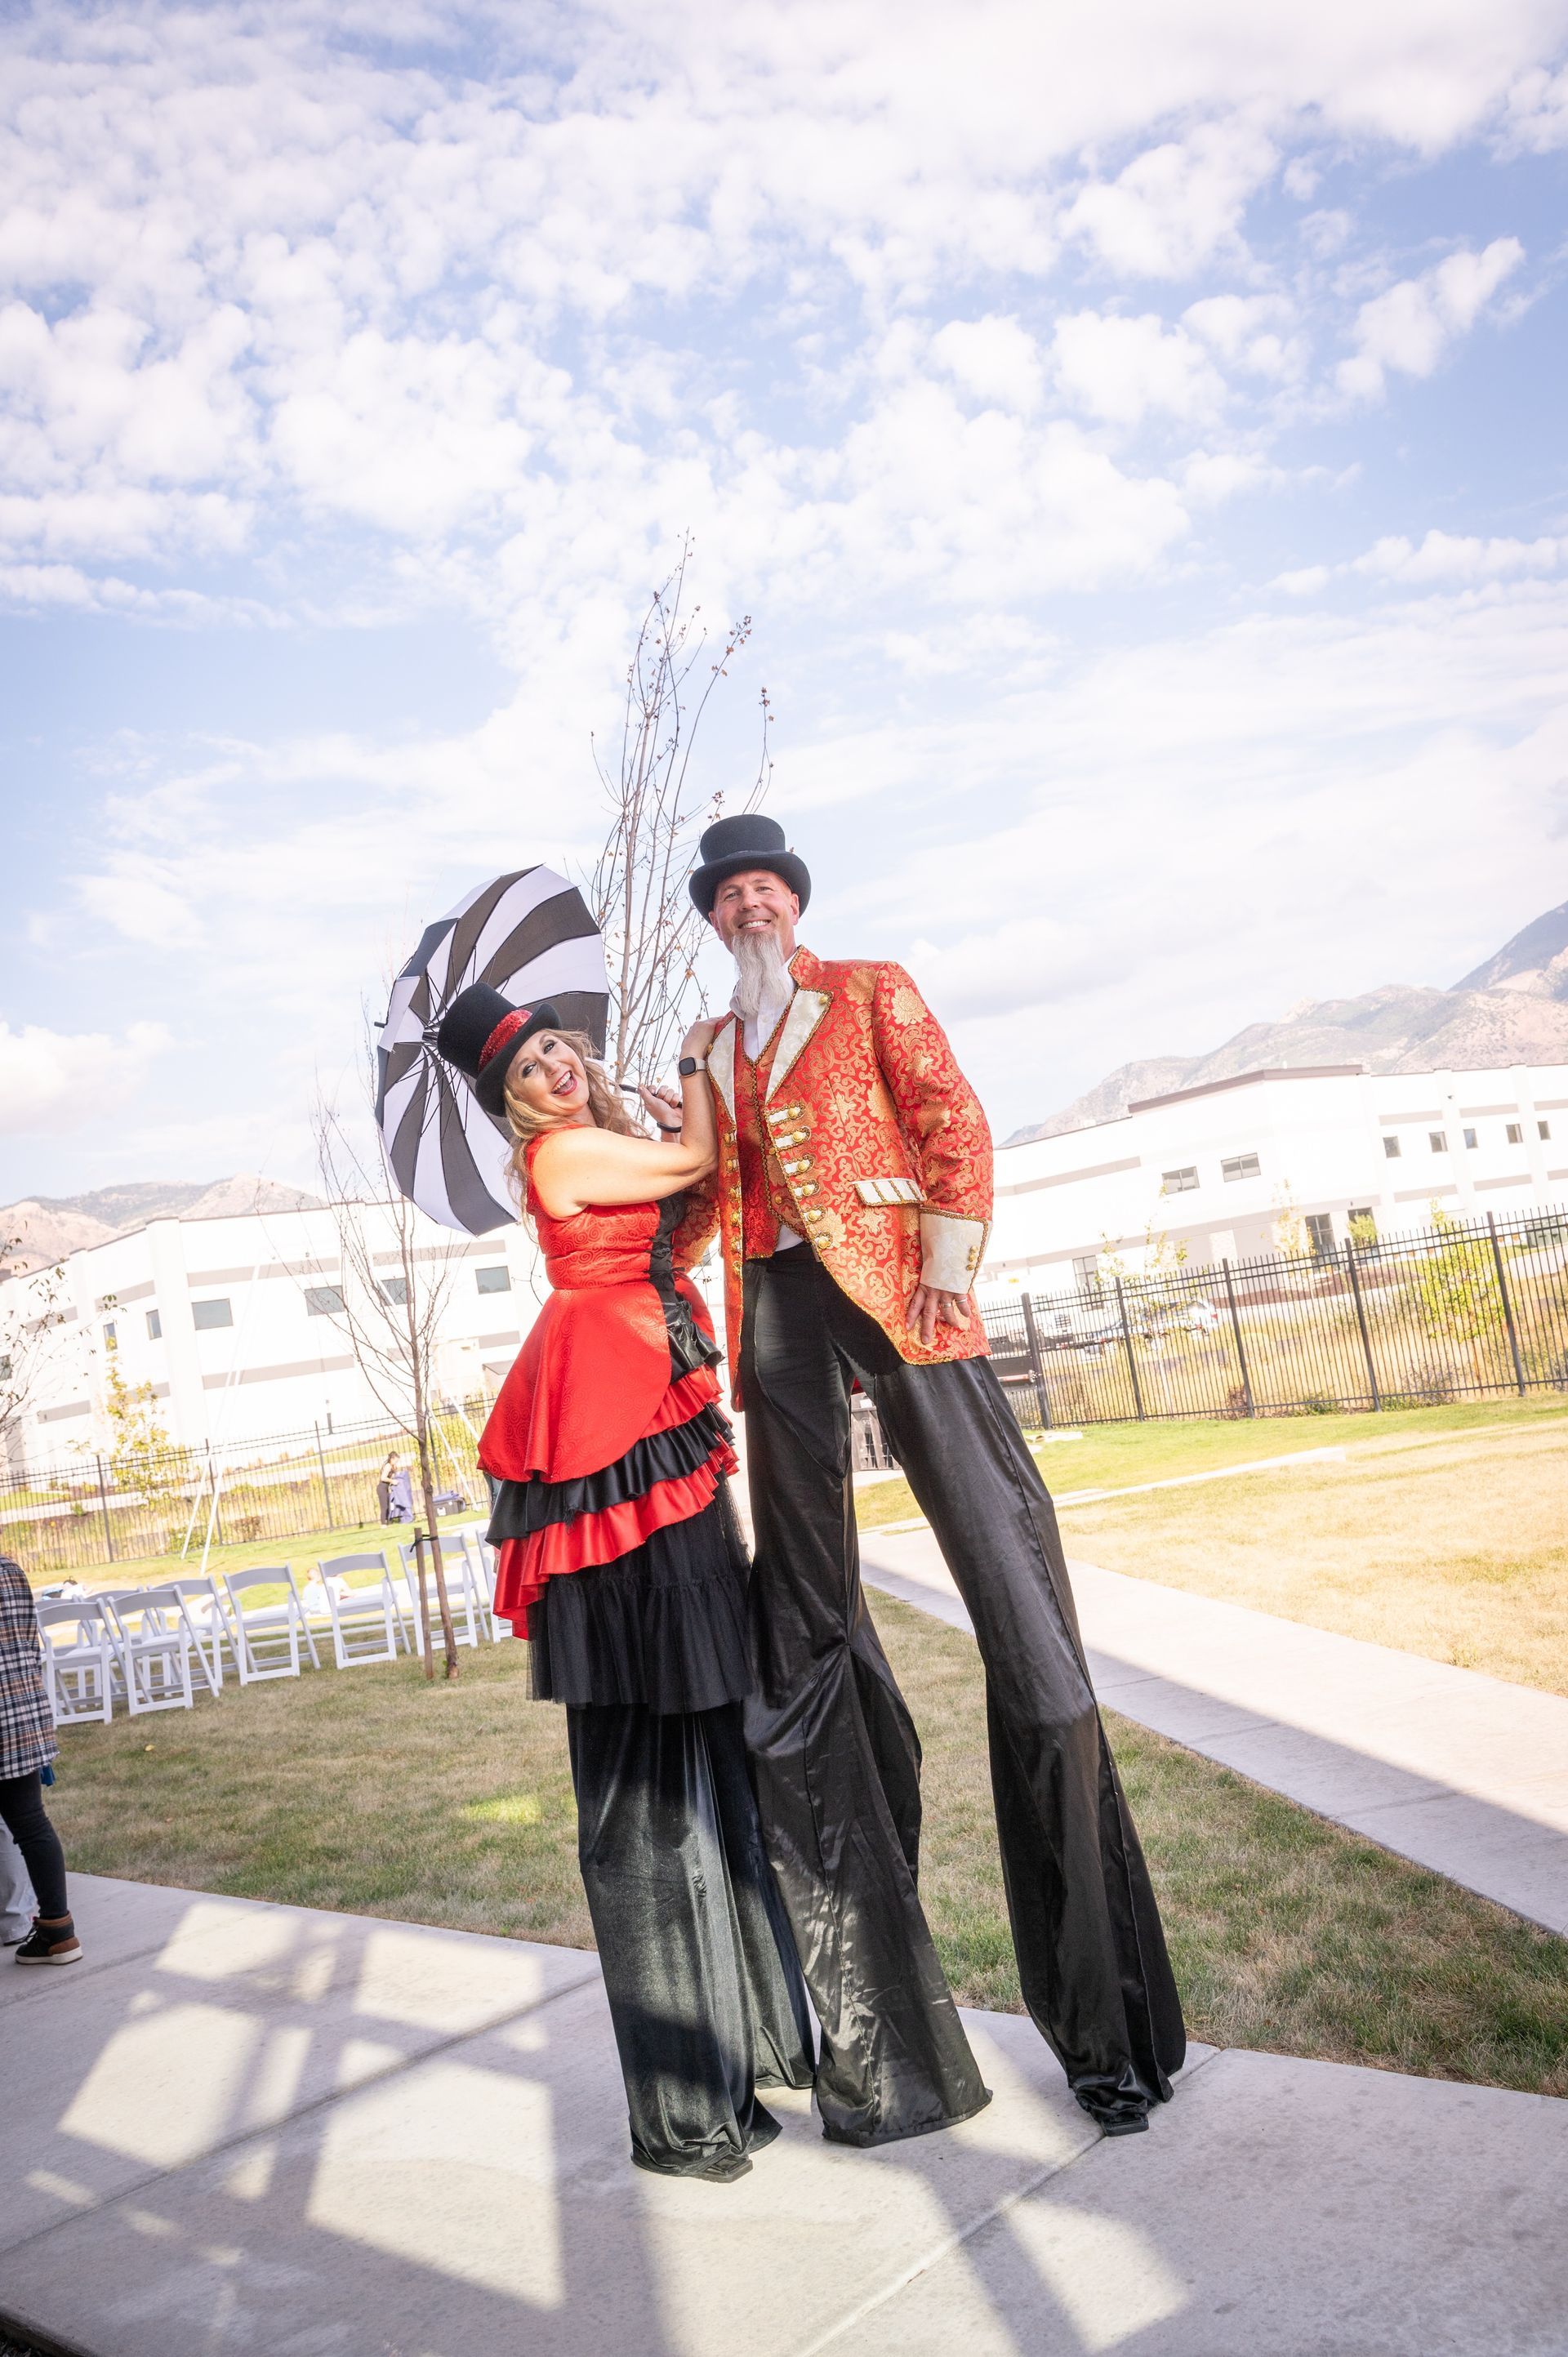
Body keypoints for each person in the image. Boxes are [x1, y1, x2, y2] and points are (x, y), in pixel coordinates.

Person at [682, 812, 1186, 2141]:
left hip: (903, 1299)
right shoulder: (710, 1049)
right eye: (728, 897)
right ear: (716, 919)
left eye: (763, 888)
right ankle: (873, 2046)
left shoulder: (872, 991)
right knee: (801, 1647)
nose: (750, 909)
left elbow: (952, 1124)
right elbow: (702, 1206)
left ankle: (1107, 2034)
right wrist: (655, 1126)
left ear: (792, 901)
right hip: (777, 1318)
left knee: (1020, 1625)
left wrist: (944, 1280)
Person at [432, 983, 813, 2183]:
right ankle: (680, 2107)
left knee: (708, 1749)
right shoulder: (562, 1155)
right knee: (641, 1787)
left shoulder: (608, 1143)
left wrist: (671, 1122)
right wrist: (701, 1067)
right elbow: (704, 1151)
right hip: (603, 1439)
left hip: (648, 1412)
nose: (550, 1065)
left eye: (556, 1046)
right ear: (512, 1105)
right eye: (526, 1067)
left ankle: (747, 2055)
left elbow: (690, 1211)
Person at [0, 1553, 82, 1966]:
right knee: (32, 1823)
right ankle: (59, 1932)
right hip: (20, 1714)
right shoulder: (10, 1569)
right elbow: (30, 1641)